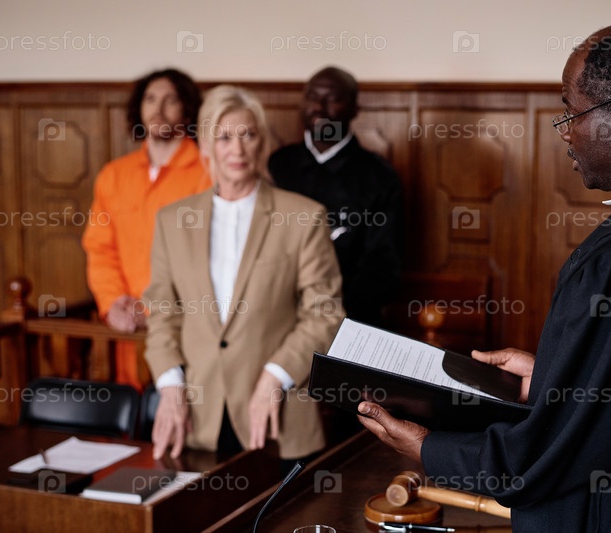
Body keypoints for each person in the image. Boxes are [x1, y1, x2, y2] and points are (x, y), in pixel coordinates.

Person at [358, 20, 611, 532]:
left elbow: (556, 456)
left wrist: (427, 447)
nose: (566, 132)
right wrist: (555, 377)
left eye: (572, 112)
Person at [144, 85, 344, 469]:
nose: (237, 149)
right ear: (206, 145)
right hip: (195, 419)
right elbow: (163, 314)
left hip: (279, 416)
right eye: (224, 137)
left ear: (262, 142)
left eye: (248, 135)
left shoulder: (303, 217)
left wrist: (275, 376)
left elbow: (325, 314)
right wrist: (169, 387)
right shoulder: (172, 221)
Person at [82, 68, 210, 390]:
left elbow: (209, 257)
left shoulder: (208, 172)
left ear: (187, 110)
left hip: (186, 331)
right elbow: (100, 250)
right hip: (125, 332)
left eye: (170, 100)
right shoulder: (114, 175)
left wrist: (154, 310)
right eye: (150, 99)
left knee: (182, 410)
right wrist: (112, 303)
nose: (158, 108)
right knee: (131, 414)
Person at [268, 66, 403, 327]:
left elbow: (383, 269)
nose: (319, 107)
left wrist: (327, 313)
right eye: (312, 96)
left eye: (332, 99)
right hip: (276, 317)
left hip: (348, 321)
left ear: (354, 109)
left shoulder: (379, 177)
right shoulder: (277, 165)